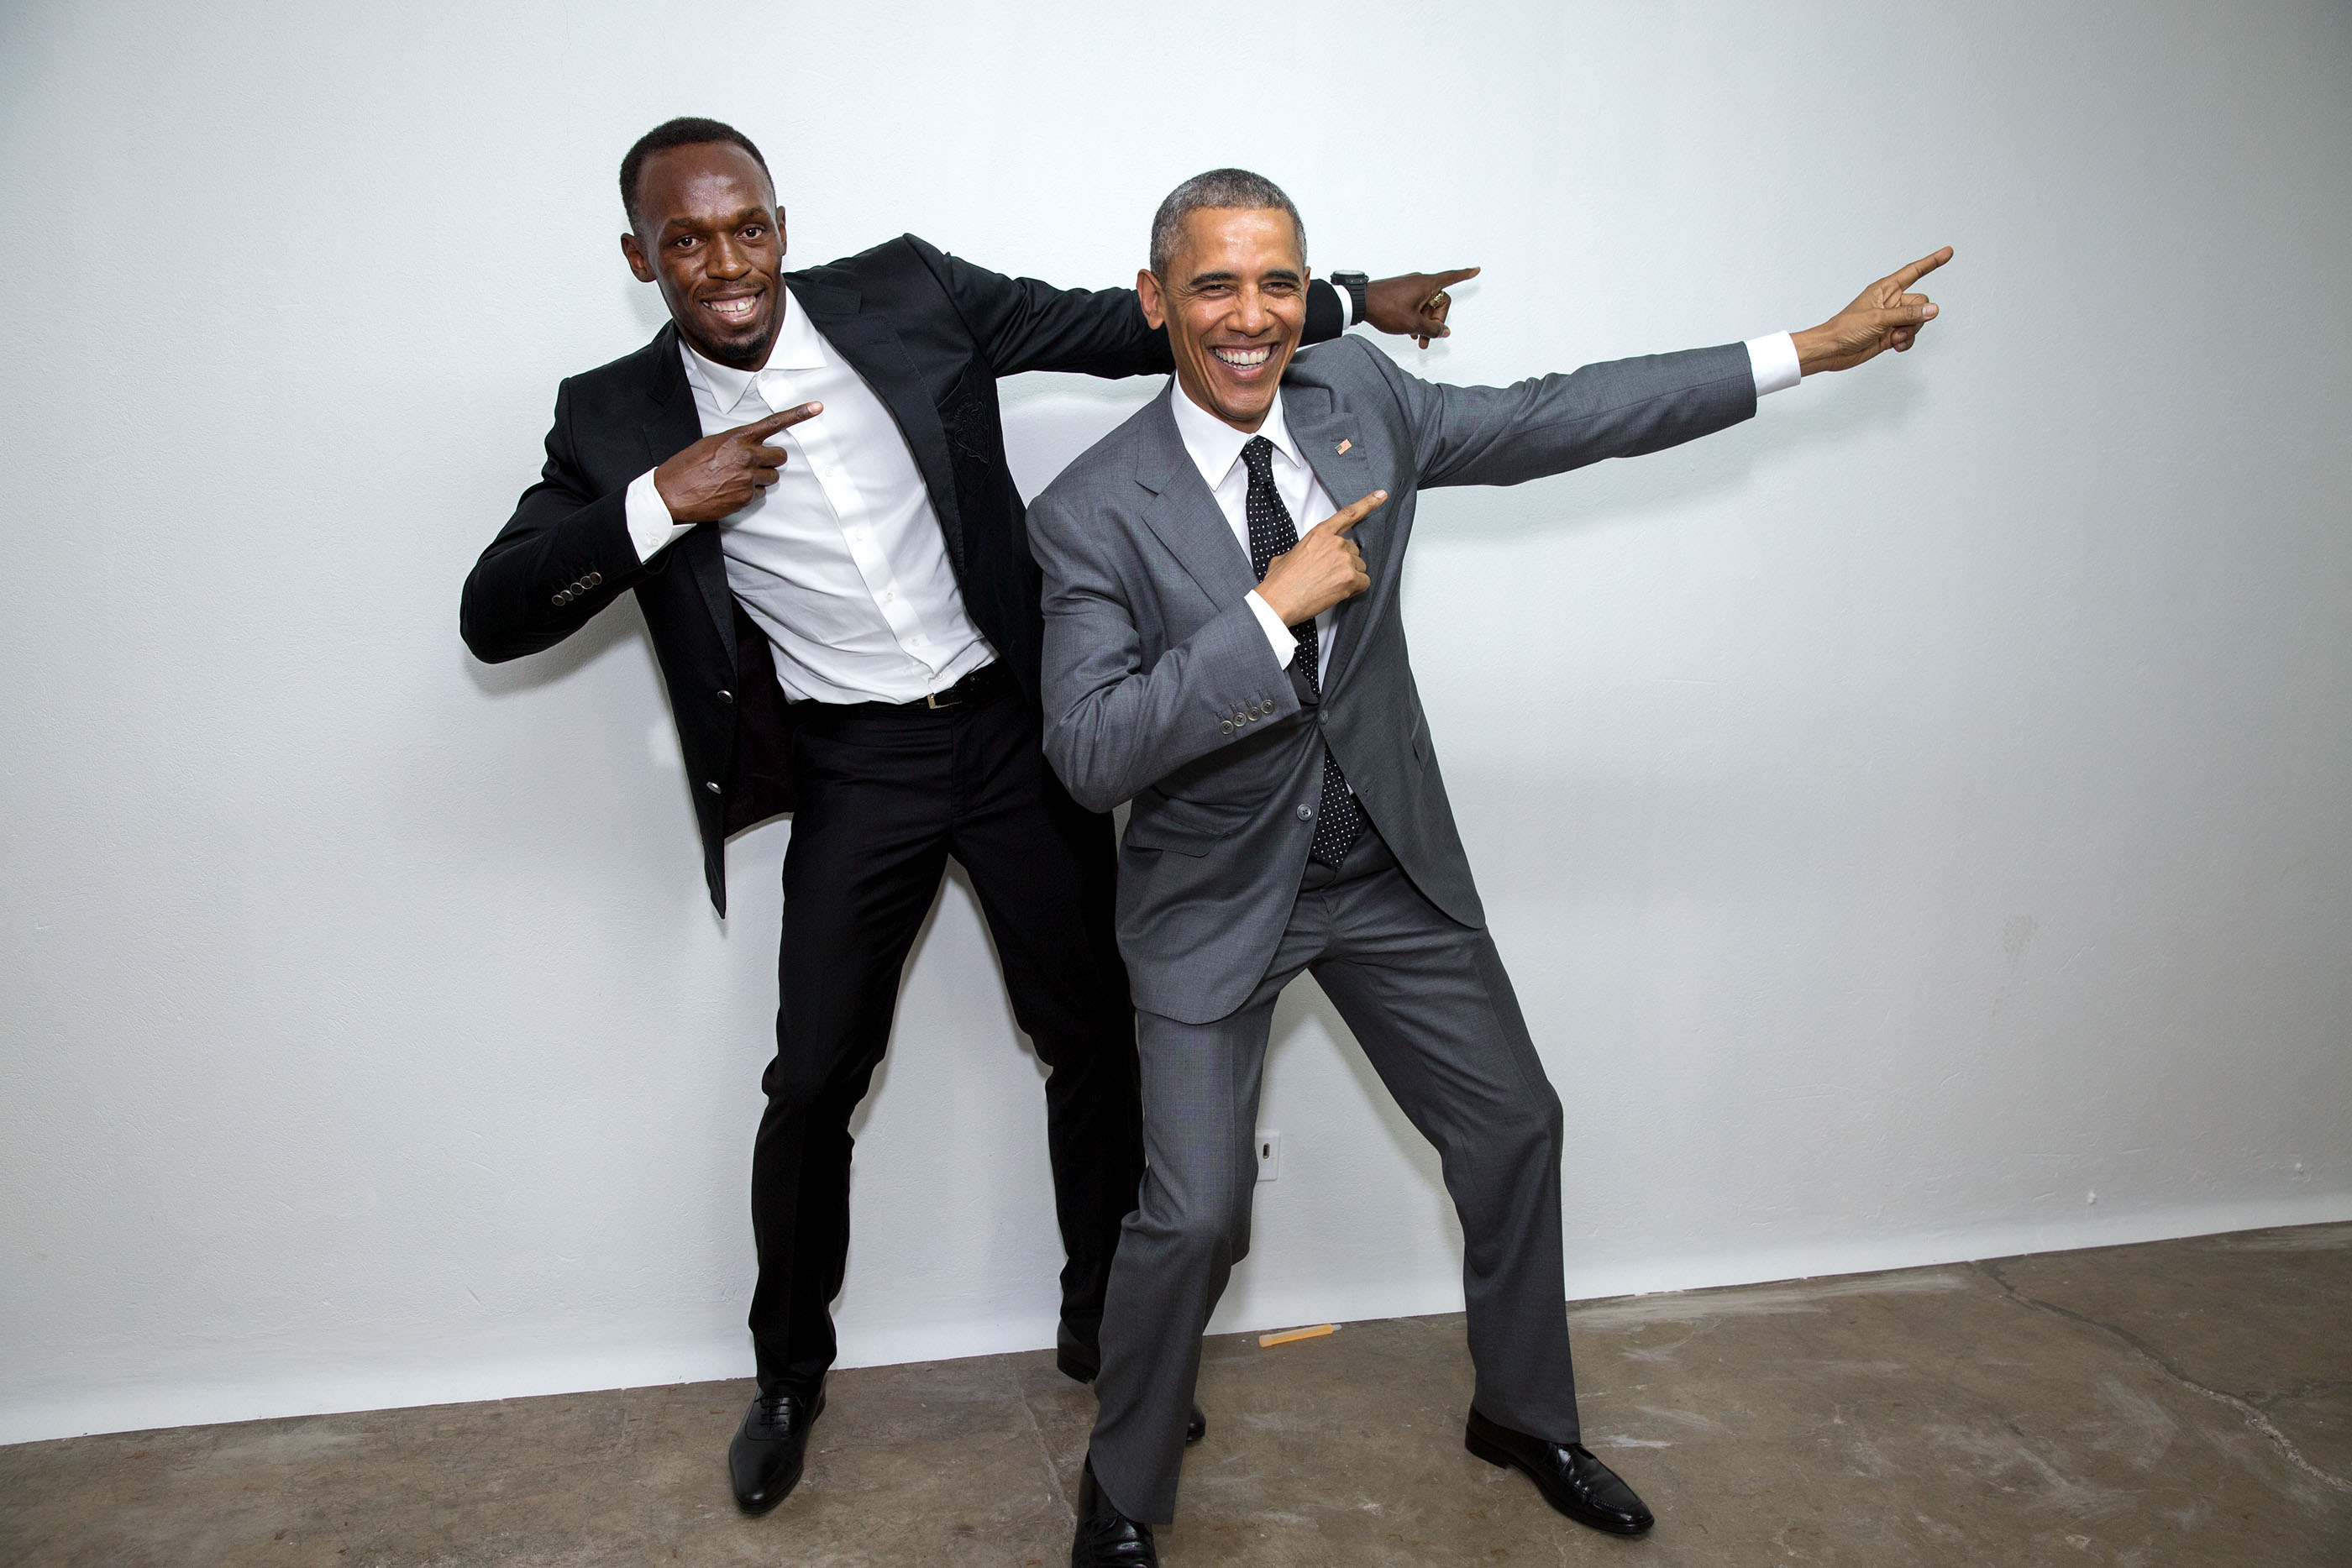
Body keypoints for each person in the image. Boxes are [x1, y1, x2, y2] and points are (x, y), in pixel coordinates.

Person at [459, 118, 1473, 1516]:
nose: (724, 260)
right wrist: (654, 504)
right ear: (641, 259)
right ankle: (787, 1374)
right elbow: (494, 613)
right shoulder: (613, 419)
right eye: (685, 240)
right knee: (813, 1077)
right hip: (856, 769)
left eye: (745, 225)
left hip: (1014, 732)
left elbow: (1125, 324)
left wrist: (1362, 295)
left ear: (782, 224)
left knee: (1091, 1039)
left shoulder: (907, 294)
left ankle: (1104, 1330)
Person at [1026, 167, 1950, 1564]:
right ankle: (1125, 1482)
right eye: (1214, 284)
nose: (1251, 315)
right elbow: (1090, 754)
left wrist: (1805, 351)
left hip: (1384, 867)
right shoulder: (1090, 510)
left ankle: (1522, 1413)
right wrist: (1265, 617)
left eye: (1278, 281)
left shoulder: (1359, 400)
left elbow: (1557, 416)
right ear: (1158, 301)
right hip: (1216, 901)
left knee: (1516, 1125)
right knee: (1196, 1215)